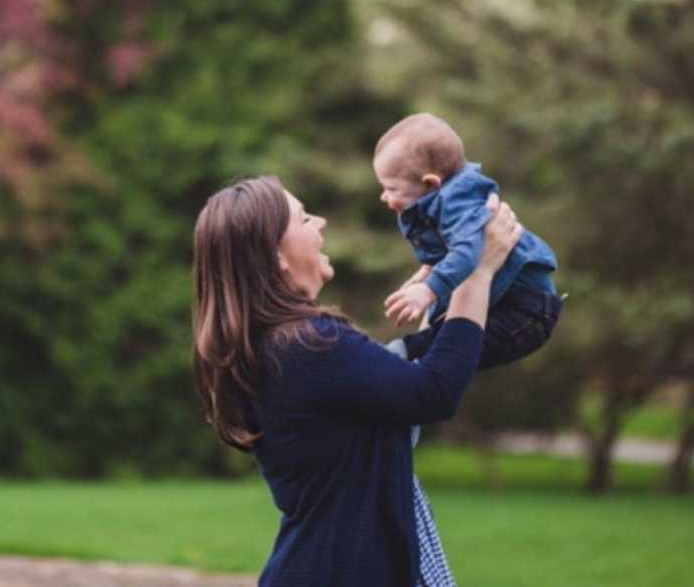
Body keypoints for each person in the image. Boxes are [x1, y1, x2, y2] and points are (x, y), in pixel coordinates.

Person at [192, 174, 521, 586]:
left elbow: (400, 388)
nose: (321, 222)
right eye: (303, 218)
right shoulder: (312, 345)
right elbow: (432, 393)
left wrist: (442, 284)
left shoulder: (275, 348)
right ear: (275, 254)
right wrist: (476, 273)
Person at [374, 113, 563, 370]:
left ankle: (400, 357)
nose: (384, 197)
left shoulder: (458, 202)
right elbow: (455, 251)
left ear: (430, 183)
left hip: (524, 310)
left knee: (449, 352)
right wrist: (428, 273)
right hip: (506, 301)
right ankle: (401, 358)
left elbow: (468, 252)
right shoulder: (440, 201)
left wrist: (428, 290)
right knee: (441, 348)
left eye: (391, 189)